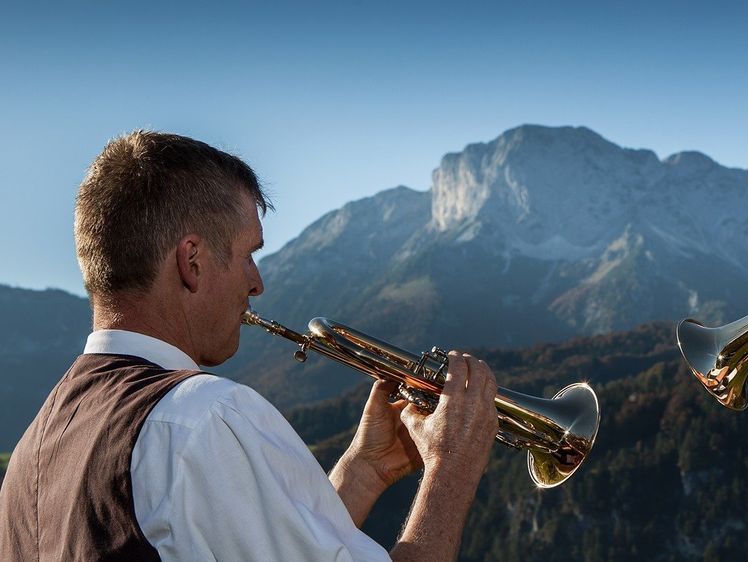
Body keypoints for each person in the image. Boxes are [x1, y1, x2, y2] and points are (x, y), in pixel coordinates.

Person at [0, 131, 500, 561]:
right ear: (191, 261)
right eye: (248, 255)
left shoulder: (33, 453)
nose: (256, 283)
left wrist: (363, 472)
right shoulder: (203, 417)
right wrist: (452, 465)